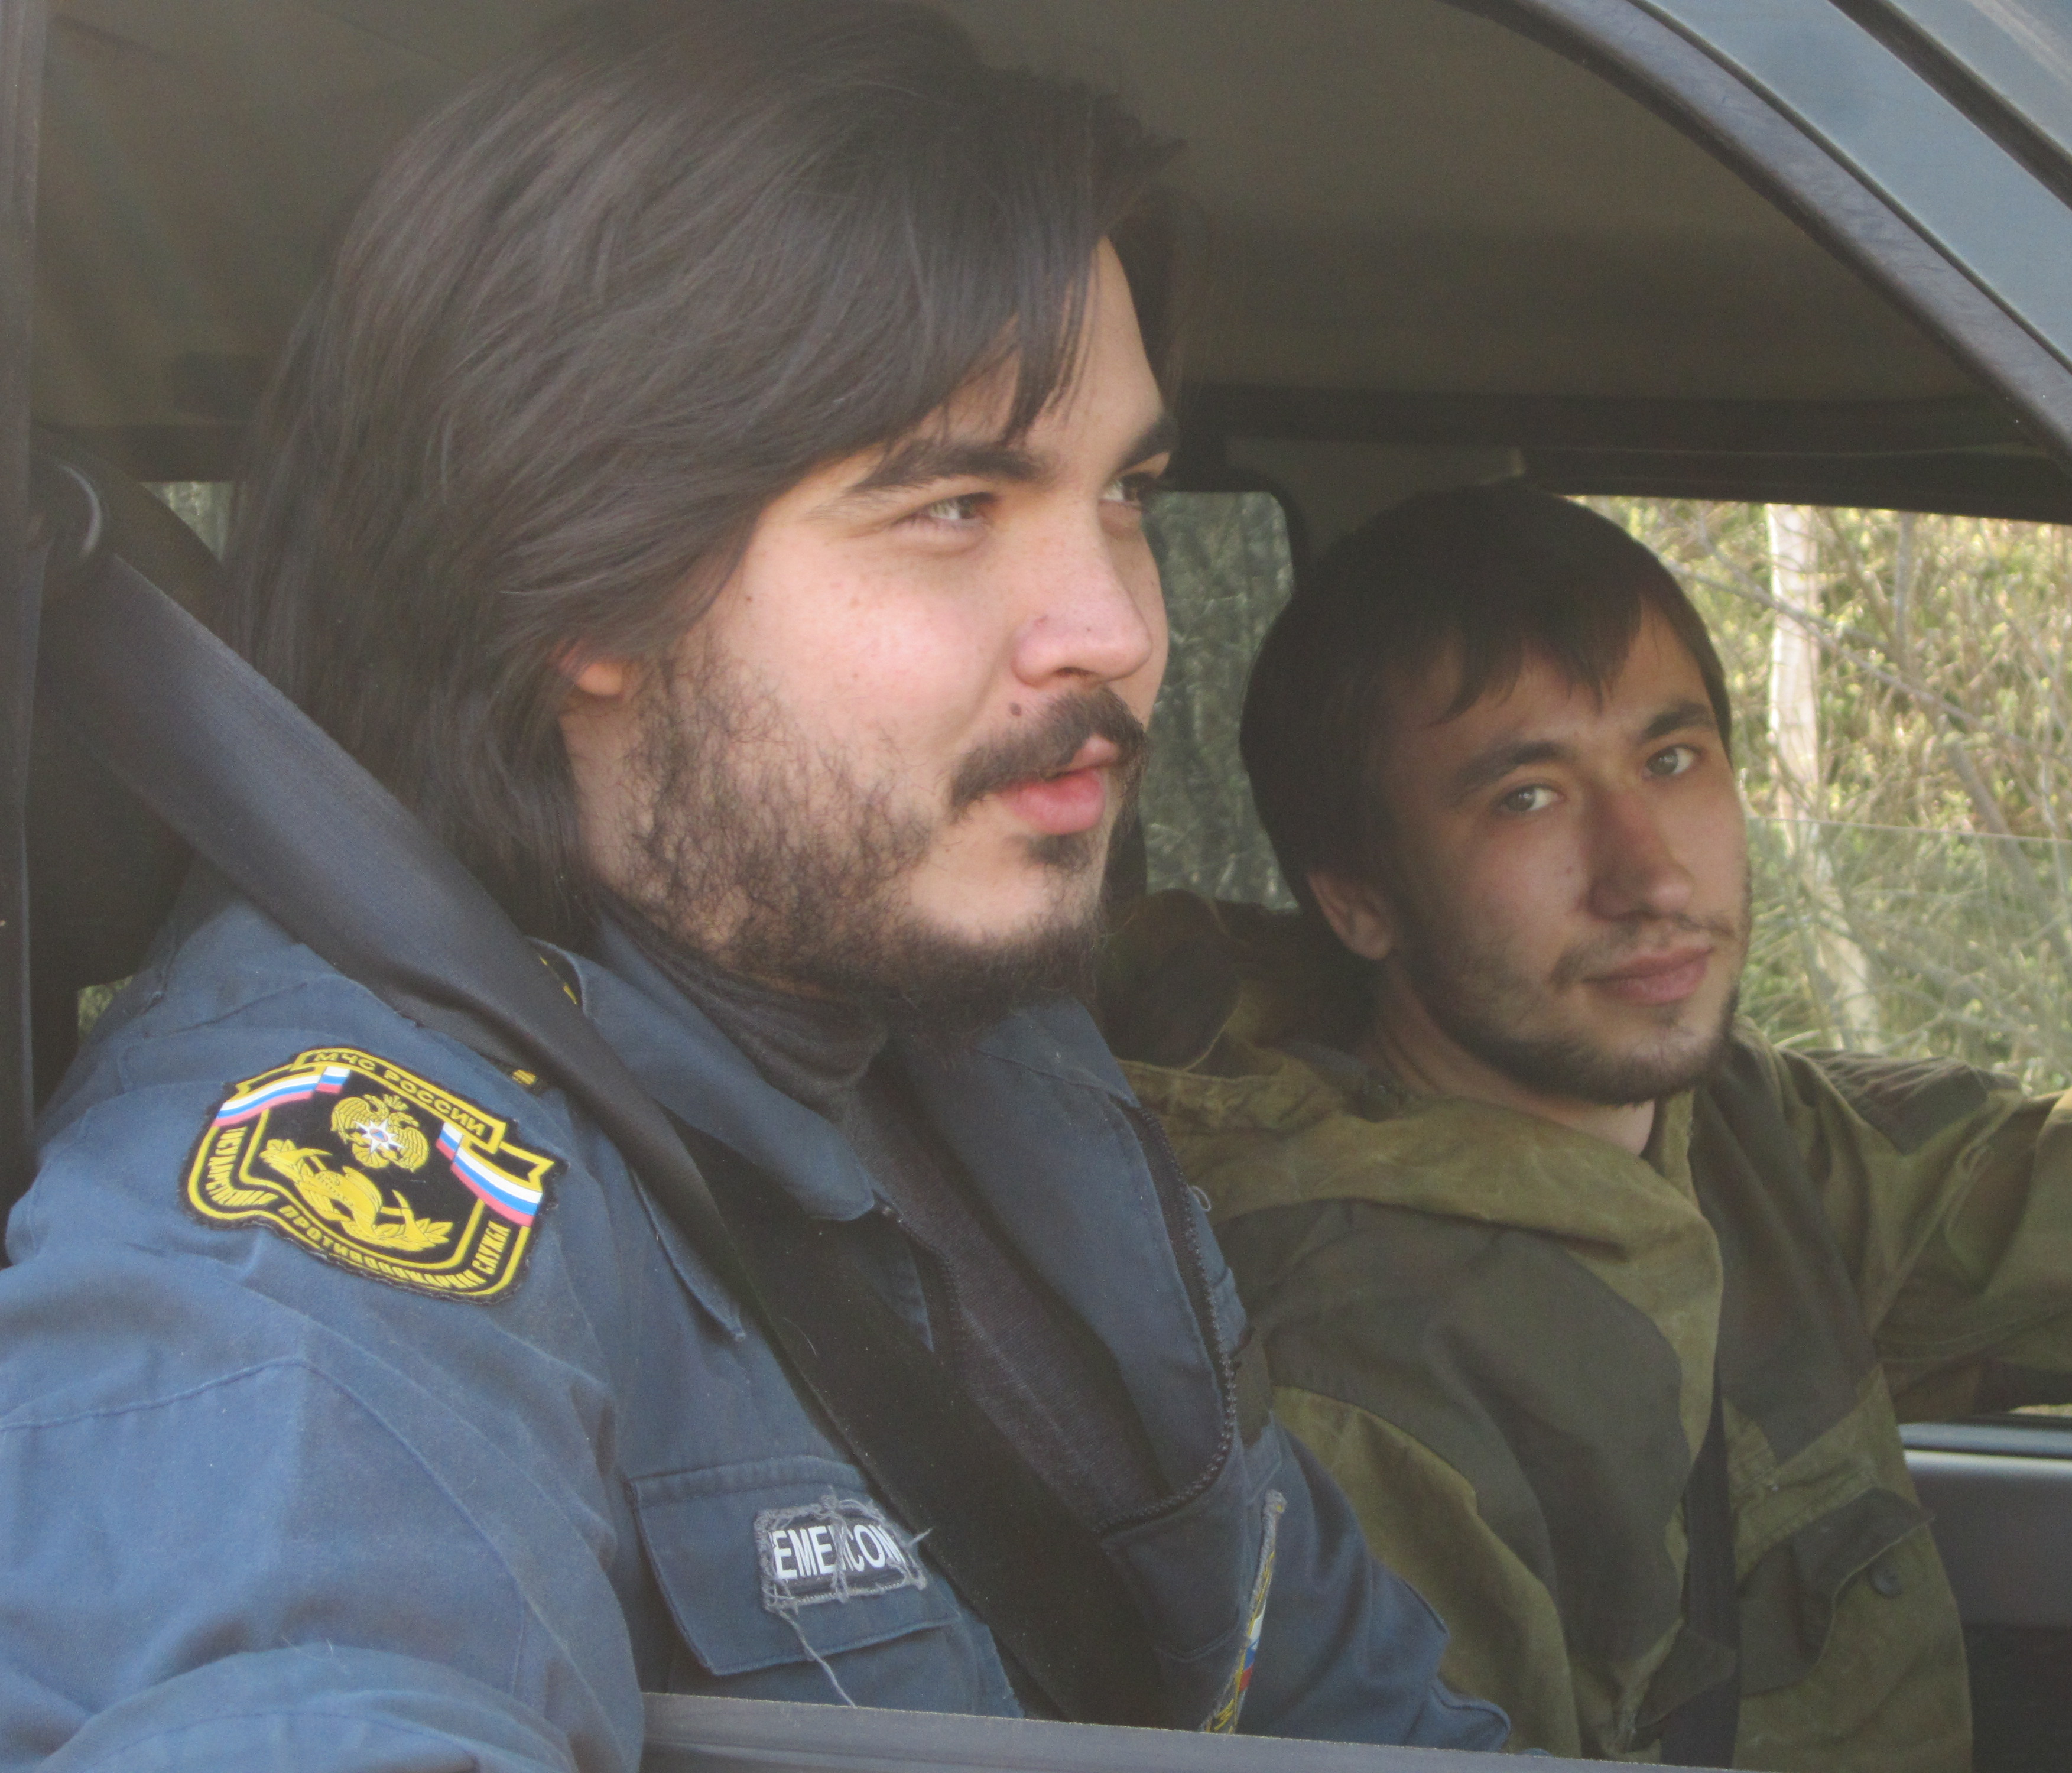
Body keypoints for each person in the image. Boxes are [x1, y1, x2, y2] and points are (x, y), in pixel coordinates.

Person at [0, 8, 1514, 1768]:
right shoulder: (337, 1193)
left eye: (1128, 496)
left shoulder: (984, 1046)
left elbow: (1345, 1698)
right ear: (587, 584)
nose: (1116, 626)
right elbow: (278, 1655)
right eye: (955, 506)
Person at [1104, 483, 2072, 1771]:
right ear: (1358, 902)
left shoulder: (1725, 1125)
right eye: (1527, 797)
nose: (1650, 875)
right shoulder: (1352, 1366)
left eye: (1670, 761)